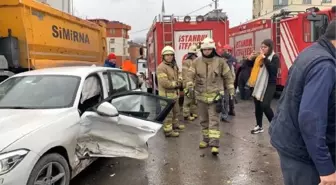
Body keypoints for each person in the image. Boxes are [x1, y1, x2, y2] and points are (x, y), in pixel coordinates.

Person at [269, 20, 336, 185]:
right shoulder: (325, 66)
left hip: (292, 143)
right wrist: (326, 168)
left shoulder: (312, 52)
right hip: (304, 156)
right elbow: (310, 119)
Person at [186, 37, 235, 155]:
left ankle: (214, 144)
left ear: (212, 49)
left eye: (209, 49)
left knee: (214, 121)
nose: (207, 51)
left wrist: (231, 89)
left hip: (215, 97)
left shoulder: (220, 62)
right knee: (203, 120)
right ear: (202, 50)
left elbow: (228, 76)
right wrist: (189, 85)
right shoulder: (196, 62)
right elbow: (189, 75)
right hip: (201, 96)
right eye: (205, 50)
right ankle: (205, 139)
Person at [247, 39, 279, 134]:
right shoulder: (259, 57)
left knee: (265, 105)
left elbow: (273, 71)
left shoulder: (274, 57)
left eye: (265, 47)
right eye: (262, 47)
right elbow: (250, 66)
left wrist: (264, 57)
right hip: (258, 83)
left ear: (270, 47)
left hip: (270, 84)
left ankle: (275, 126)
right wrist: (250, 59)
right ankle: (259, 126)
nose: (263, 49)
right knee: (257, 105)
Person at [157, 46, 185, 137]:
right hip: (166, 96)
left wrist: (180, 78)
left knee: (176, 112)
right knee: (168, 115)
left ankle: (175, 125)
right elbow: (164, 83)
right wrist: (177, 84)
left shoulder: (174, 65)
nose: (169, 57)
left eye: (171, 55)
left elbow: (179, 73)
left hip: (174, 95)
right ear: (163, 56)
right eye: (167, 55)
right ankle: (168, 131)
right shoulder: (161, 67)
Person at [182, 45, 198, 121]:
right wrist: (187, 84)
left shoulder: (195, 62)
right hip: (188, 84)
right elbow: (185, 74)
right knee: (187, 100)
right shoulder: (186, 62)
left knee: (194, 99)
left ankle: (193, 113)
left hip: (194, 84)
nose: (196, 56)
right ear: (192, 55)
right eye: (195, 55)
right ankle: (186, 115)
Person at [221, 44, 237, 116]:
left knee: (227, 99)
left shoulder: (228, 64)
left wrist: (231, 83)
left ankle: (227, 112)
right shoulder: (232, 61)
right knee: (229, 98)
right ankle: (228, 112)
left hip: (226, 85)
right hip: (226, 85)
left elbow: (233, 74)